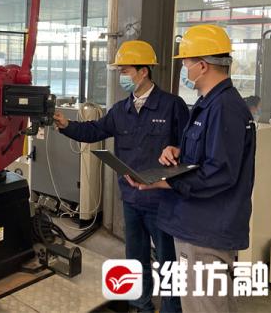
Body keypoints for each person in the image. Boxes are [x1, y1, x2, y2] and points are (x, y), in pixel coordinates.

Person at [125, 25, 256, 313]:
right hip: (194, 224)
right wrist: (179, 152)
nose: (184, 69)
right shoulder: (209, 103)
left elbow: (220, 172)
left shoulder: (224, 108)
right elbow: (209, 156)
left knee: (206, 306)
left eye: (185, 62)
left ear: (202, 65)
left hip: (207, 229)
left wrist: (165, 182)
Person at [54, 40, 188, 313]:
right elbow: (94, 130)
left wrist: (176, 152)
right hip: (131, 198)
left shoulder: (172, 106)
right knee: (135, 258)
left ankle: (172, 308)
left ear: (143, 71)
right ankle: (140, 305)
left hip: (162, 200)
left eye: (125, 71)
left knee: (168, 261)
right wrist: (66, 125)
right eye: (120, 71)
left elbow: (189, 146)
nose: (121, 76)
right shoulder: (120, 110)